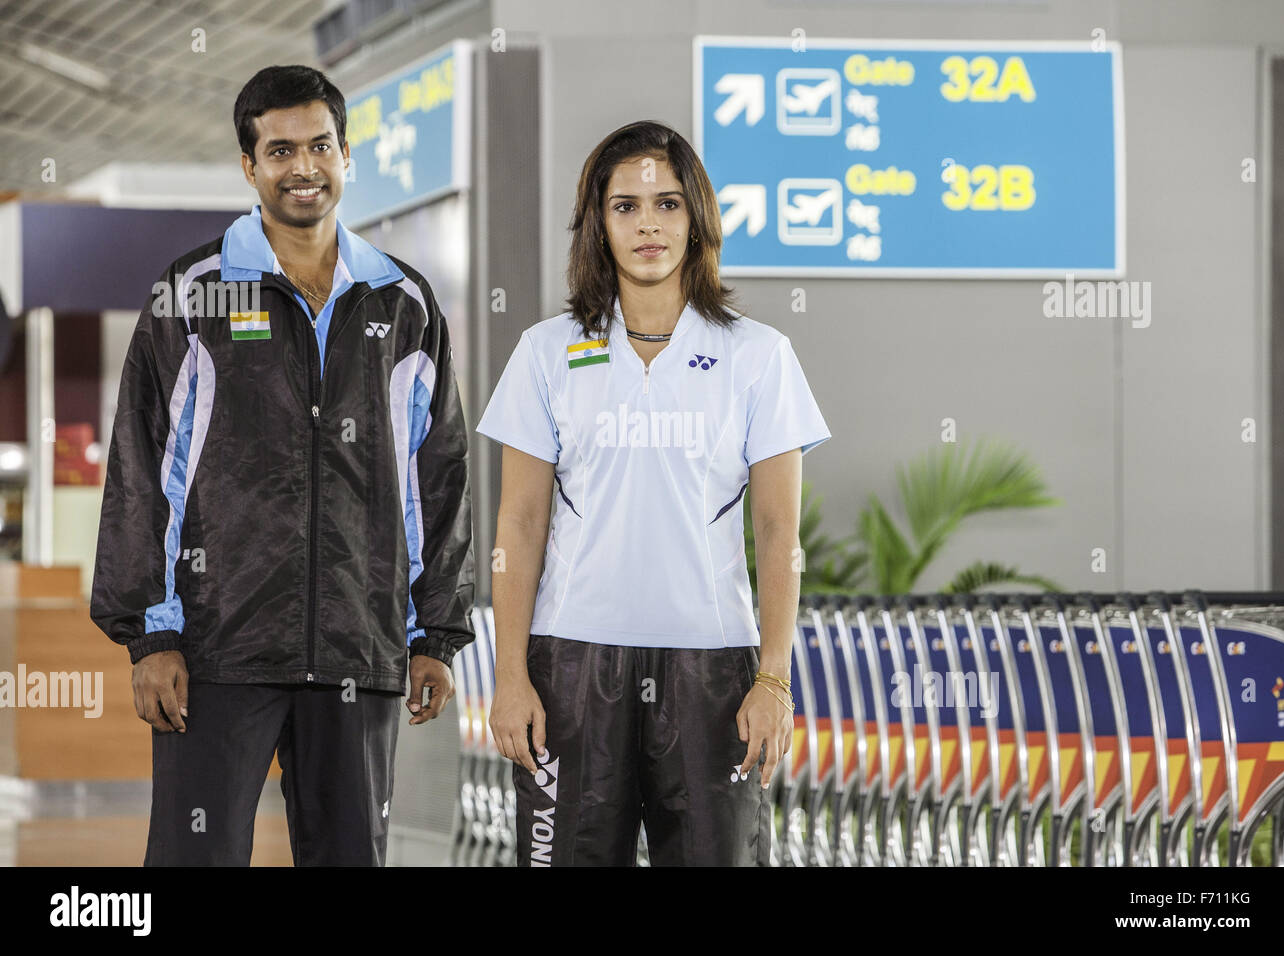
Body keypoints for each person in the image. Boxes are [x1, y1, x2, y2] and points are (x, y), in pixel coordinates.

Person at [89, 65, 475, 866]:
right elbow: (141, 466)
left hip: (356, 649)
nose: (304, 166)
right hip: (218, 651)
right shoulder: (193, 295)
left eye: (321, 146)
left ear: (346, 155)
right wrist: (151, 633)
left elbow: (437, 471)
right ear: (249, 165)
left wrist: (434, 629)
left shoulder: (404, 303)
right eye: (281, 150)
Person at [477, 120, 831, 866]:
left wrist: (774, 677)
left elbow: (777, 532)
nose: (648, 225)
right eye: (625, 205)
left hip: (713, 670)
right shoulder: (546, 353)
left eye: (668, 204)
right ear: (597, 223)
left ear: (696, 220)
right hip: (571, 666)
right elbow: (519, 522)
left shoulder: (759, 357)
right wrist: (511, 676)